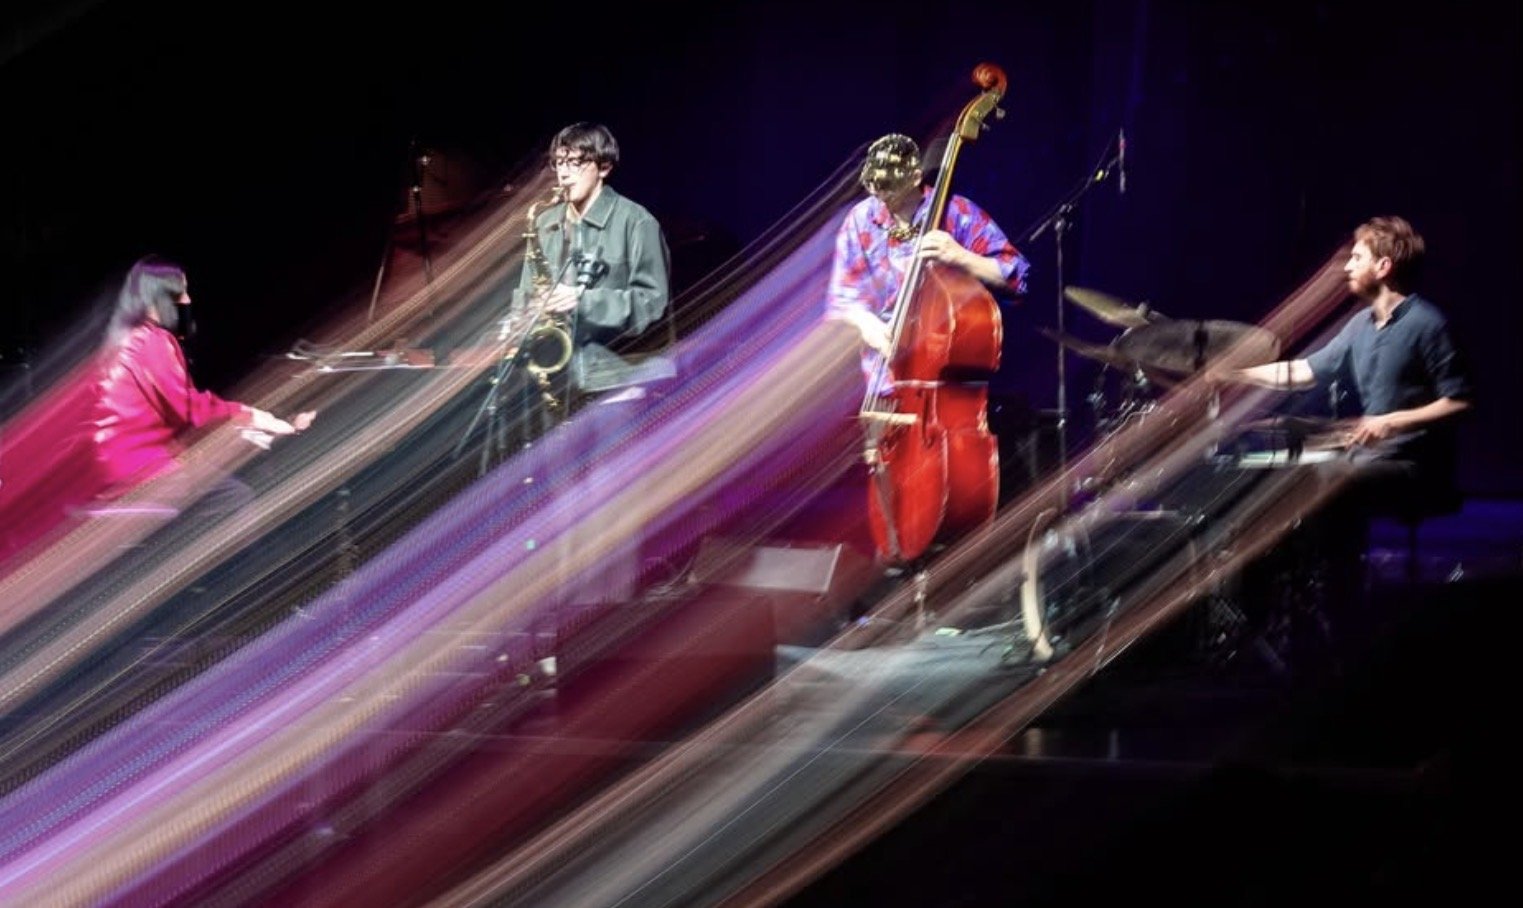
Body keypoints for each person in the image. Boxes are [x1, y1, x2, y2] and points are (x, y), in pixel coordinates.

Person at [85, 256, 315, 517]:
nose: (187, 300)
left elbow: (161, 416)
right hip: (141, 469)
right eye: (180, 293)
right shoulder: (151, 340)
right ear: (160, 297)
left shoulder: (116, 341)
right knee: (238, 496)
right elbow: (190, 409)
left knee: (215, 474)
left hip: (112, 467)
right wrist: (250, 415)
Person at [510, 122, 671, 418]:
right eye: (559, 162)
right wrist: (523, 317)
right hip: (554, 385)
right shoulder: (544, 224)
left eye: (575, 162)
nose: (564, 173)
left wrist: (582, 301)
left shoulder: (637, 222)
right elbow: (527, 295)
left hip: (619, 384)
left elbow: (653, 305)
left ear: (604, 167)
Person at [827, 132, 1030, 365]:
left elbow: (1018, 278)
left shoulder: (956, 212)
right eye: (873, 185)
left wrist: (960, 256)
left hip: (947, 362)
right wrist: (866, 323)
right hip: (884, 371)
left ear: (915, 177)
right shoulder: (860, 219)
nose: (878, 195)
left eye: (887, 187)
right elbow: (843, 297)